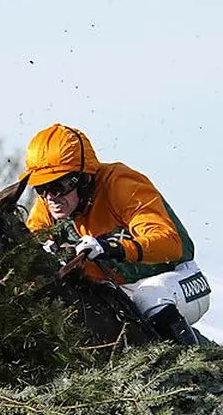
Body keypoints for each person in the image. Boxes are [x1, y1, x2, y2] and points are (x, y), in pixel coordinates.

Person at [21, 123, 209, 344]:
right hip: (118, 291)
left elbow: (170, 244)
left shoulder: (120, 184)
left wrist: (112, 248)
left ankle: (191, 363)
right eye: (41, 188)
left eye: (58, 186)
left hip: (178, 278)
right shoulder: (47, 205)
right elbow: (26, 247)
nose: (50, 197)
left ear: (83, 178)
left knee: (148, 297)